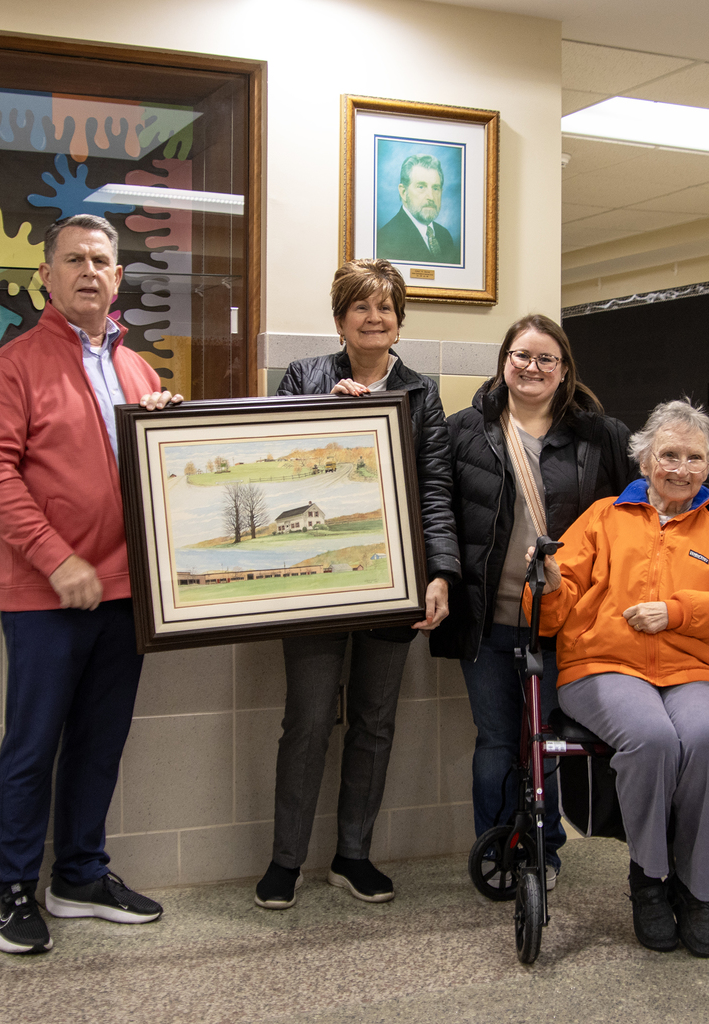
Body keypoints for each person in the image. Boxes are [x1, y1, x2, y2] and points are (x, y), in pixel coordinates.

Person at [429, 314, 709, 891]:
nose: (533, 367)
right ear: (504, 360)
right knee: (498, 740)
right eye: (522, 355)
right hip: (487, 615)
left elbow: (663, 479)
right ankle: (503, 850)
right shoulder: (465, 431)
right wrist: (442, 575)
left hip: (561, 615)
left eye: (547, 359)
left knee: (546, 737)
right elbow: (439, 509)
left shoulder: (597, 433)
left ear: (565, 370)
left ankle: (544, 852)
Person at [0, 214, 181, 955]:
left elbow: (155, 473)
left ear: (119, 278)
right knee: (31, 746)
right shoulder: (12, 366)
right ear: (47, 279)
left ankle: (80, 875)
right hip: (44, 597)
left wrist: (165, 430)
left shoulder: (140, 371)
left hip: (127, 595)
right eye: (73, 261)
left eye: (102, 261)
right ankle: (14, 890)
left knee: (99, 743)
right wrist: (57, 558)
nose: (89, 271)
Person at [255, 259, 460, 910]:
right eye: (363, 307)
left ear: (401, 318)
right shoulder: (304, 378)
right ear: (341, 317)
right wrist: (328, 414)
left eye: (387, 307)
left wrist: (441, 573)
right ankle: (285, 860)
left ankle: (353, 855)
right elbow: (278, 472)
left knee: (374, 722)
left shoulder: (423, 392)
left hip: (394, 578)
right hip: (318, 581)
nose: (376, 318)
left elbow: (435, 491)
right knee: (308, 720)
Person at [527, 399, 709, 958]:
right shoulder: (604, 516)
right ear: (644, 459)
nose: (680, 468)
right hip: (603, 665)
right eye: (669, 455)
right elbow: (552, 613)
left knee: (706, 740)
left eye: (694, 458)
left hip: (692, 668)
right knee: (653, 738)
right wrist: (549, 584)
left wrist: (675, 612)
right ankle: (649, 881)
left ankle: (696, 890)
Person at [376, 154, 460, 265]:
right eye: (421, 187)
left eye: (435, 188)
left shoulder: (444, 236)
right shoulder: (386, 238)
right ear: (403, 192)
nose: (430, 196)